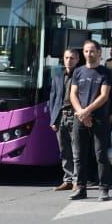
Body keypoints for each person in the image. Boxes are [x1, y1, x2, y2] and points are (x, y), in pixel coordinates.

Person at [69, 39, 112, 201]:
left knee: (100, 154)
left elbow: (104, 96)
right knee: (79, 154)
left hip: (99, 118)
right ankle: (80, 188)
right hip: (80, 118)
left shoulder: (105, 72)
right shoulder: (78, 71)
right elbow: (73, 94)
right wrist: (81, 112)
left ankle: (104, 188)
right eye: (86, 51)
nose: (89, 54)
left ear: (99, 53)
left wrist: (87, 112)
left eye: (92, 51)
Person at [49, 47, 82, 192]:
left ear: (77, 60)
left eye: (72, 58)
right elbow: (53, 98)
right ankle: (67, 180)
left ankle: (77, 180)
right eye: (67, 58)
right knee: (64, 151)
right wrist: (53, 119)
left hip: (75, 115)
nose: (69, 60)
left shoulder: (81, 75)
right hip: (60, 116)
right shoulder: (58, 76)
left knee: (77, 150)